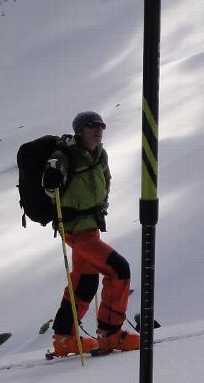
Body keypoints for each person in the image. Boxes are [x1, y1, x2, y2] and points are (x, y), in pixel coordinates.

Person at [41, 111, 139, 356]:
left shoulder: (99, 154)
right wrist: (52, 182)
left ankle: (64, 339)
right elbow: (49, 187)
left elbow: (106, 180)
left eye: (101, 125)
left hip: (90, 227)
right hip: (75, 229)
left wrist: (102, 205)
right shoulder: (63, 156)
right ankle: (110, 334)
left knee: (85, 283)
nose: (98, 129)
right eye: (91, 126)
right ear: (79, 130)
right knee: (118, 270)